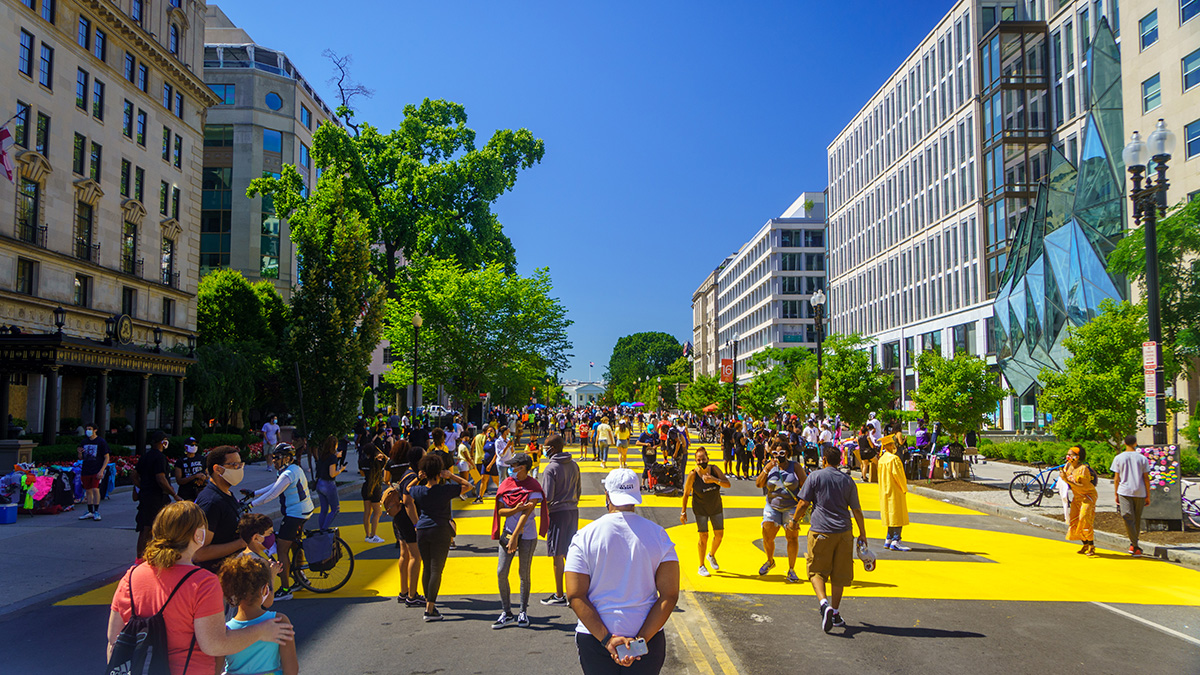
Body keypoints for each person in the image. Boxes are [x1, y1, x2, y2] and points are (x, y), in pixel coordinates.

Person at [107, 501, 294, 675]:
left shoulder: (130, 577)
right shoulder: (203, 583)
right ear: (198, 535)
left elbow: (114, 641)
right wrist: (262, 631)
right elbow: (215, 644)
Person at [565, 469, 679, 674]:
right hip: (647, 640)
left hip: (595, 639)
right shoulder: (659, 535)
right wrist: (639, 641)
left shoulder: (584, 536)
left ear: (607, 495)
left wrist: (608, 640)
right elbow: (669, 595)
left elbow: (575, 595)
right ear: (636, 497)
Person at [792, 446, 868, 633]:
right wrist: (862, 533)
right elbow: (856, 510)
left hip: (821, 530)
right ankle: (835, 612)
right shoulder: (848, 481)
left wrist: (794, 521)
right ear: (840, 460)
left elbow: (803, 503)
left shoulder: (815, 477)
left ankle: (824, 604)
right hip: (844, 532)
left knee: (816, 570)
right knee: (839, 574)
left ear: (823, 460)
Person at [405, 453, 473, 621]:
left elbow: (407, 490)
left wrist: (418, 478)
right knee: (437, 569)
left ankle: (429, 603)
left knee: (427, 567)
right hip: (440, 529)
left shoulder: (419, 490)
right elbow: (467, 486)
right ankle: (430, 608)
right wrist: (451, 475)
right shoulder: (444, 490)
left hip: (422, 529)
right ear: (439, 472)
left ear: (425, 472)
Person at [245, 444, 314, 600]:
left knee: (282, 550)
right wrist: (254, 493)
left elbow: (272, 494)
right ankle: (300, 578)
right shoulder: (294, 469)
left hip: (295, 514)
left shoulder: (288, 473)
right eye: (273, 457)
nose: (274, 460)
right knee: (295, 544)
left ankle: (285, 589)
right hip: (304, 512)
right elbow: (276, 486)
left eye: (277, 457)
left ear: (287, 458)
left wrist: (251, 504)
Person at [491, 452, 547, 629]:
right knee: (501, 572)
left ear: (522, 467)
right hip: (508, 534)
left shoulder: (534, 487)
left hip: (527, 536)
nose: (510, 469)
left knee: (524, 573)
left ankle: (523, 610)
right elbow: (500, 511)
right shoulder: (506, 484)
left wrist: (516, 536)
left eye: (513, 465)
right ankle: (506, 611)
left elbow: (527, 513)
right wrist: (514, 509)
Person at [218, 554, 299, 675]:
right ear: (265, 589)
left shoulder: (224, 630)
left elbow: (215, 670)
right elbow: (292, 670)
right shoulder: (279, 621)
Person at [755, 444, 806, 582]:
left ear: (788, 453)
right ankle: (770, 561)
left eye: (781, 452)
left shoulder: (795, 467)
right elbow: (759, 484)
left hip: (791, 507)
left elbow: (806, 486)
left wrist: (802, 508)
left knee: (792, 537)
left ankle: (791, 569)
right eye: (775, 453)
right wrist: (766, 469)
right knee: (767, 535)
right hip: (772, 506)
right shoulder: (769, 467)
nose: (778, 456)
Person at [194, 446, 250, 573]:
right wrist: (241, 543)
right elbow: (199, 553)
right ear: (218, 469)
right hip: (216, 577)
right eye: (234, 465)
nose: (239, 469)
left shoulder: (226, 493)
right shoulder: (211, 502)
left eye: (240, 464)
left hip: (231, 572)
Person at [540, 434, 581, 607]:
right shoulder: (574, 465)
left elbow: (547, 496)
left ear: (553, 449)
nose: (544, 448)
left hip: (557, 512)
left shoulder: (551, 469)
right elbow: (579, 491)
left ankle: (559, 594)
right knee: (570, 553)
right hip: (573, 510)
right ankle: (577, 590)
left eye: (546, 446)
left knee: (556, 553)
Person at [680, 447, 730, 578]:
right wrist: (683, 512)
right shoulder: (693, 475)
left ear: (708, 458)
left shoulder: (714, 470)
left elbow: (727, 484)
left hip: (715, 506)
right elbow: (686, 494)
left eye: (703, 459)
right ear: (695, 461)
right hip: (700, 508)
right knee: (703, 536)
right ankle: (701, 565)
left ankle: (711, 555)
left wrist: (714, 479)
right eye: (699, 460)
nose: (701, 461)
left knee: (719, 535)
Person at [385, 442, 424, 606]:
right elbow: (408, 500)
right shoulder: (412, 475)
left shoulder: (407, 472)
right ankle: (412, 595)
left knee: (404, 554)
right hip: (407, 518)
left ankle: (403, 591)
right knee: (416, 555)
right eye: (425, 456)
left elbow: (386, 480)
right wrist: (417, 524)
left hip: (399, 517)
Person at [133, 431, 179, 557]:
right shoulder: (160, 458)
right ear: (162, 442)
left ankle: (140, 557)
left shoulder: (145, 456)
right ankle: (149, 556)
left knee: (144, 528)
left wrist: (141, 486)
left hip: (146, 496)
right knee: (155, 528)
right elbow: (161, 478)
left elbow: (134, 475)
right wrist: (174, 494)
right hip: (157, 497)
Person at [1111, 435, 1151, 556]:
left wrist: (1116, 493)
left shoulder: (1118, 458)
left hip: (1124, 491)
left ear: (1124, 443)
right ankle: (1135, 544)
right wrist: (1148, 495)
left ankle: (1134, 544)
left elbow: (1116, 478)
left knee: (1127, 516)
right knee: (1136, 519)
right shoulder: (1142, 458)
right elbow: (1146, 478)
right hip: (1139, 491)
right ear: (1135, 443)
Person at [1061, 445, 1098, 557]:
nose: (1068, 456)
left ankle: (1091, 546)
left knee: (1084, 519)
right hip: (1076, 497)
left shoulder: (1083, 469)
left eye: (1070, 454)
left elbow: (1083, 486)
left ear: (1077, 457)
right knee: (1075, 520)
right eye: (1067, 454)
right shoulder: (1067, 466)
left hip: (1088, 496)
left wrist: (1066, 480)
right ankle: (1085, 543)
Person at [877, 432, 911, 551]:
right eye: (892, 444)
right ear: (890, 446)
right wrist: (904, 488)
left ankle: (889, 538)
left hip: (884, 490)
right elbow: (899, 475)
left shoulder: (881, 460)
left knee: (889, 515)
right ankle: (896, 540)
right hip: (895, 490)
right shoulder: (894, 459)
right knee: (897, 515)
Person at [358, 432, 387, 544]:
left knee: (367, 512)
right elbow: (386, 459)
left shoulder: (362, 462)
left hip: (366, 486)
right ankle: (373, 535)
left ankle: (367, 535)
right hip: (375, 487)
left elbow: (362, 474)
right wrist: (381, 455)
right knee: (377, 512)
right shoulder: (377, 463)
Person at [77, 424, 110, 520]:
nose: (88, 431)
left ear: (95, 430)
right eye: (87, 429)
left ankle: (96, 510)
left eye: (90, 429)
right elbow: (81, 457)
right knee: (88, 490)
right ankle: (90, 510)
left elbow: (106, 457)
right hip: (86, 469)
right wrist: (79, 452)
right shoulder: (84, 441)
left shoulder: (101, 442)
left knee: (95, 489)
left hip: (97, 469)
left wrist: (102, 470)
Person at [314, 436, 344, 530]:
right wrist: (340, 470)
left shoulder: (322, 456)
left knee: (324, 510)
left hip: (320, 483)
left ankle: (321, 530)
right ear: (335, 445)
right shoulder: (332, 458)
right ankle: (324, 529)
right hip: (328, 484)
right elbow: (332, 474)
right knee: (335, 509)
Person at [173, 437, 206, 503]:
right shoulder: (180, 461)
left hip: (200, 491)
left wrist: (202, 478)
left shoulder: (201, 459)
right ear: (185, 447)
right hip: (186, 493)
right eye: (192, 445)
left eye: (196, 445)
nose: (194, 446)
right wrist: (194, 476)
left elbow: (206, 473)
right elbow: (179, 481)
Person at [637, 426, 659, 491]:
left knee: (653, 467)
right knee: (647, 467)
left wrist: (656, 446)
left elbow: (660, 442)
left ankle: (653, 483)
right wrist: (645, 444)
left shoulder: (655, 434)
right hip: (646, 453)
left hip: (653, 453)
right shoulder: (643, 435)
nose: (650, 434)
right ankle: (643, 483)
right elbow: (637, 443)